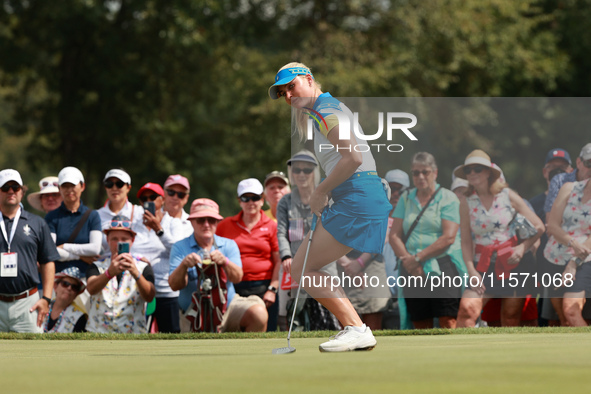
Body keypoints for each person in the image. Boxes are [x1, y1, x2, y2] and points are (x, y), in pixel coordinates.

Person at [269, 62, 391, 351]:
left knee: (301, 268)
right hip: (356, 195)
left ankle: (356, 328)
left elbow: (354, 158)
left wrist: (320, 191)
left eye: (291, 86)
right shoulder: (323, 109)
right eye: (283, 92)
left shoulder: (326, 110)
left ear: (308, 79)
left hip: (358, 195)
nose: (288, 95)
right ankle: (355, 327)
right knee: (303, 267)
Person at [455, 150, 544, 327]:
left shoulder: (507, 195)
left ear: (488, 172)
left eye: (477, 169)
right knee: (466, 310)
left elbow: (539, 227)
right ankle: (463, 354)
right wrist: (471, 271)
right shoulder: (466, 201)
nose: (472, 173)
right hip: (483, 265)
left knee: (510, 317)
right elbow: (465, 241)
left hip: (513, 264)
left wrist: (522, 248)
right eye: (468, 170)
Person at [389, 152, 466, 329]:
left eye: (425, 172)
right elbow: (394, 235)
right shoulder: (406, 198)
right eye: (416, 173)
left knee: (448, 320)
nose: (420, 176)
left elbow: (448, 237)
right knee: (419, 321)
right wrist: (409, 262)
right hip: (411, 268)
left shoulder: (448, 198)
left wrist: (417, 259)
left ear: (435, 173)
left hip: (442, 265)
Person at [169, 198, 267, 332]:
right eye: (201, 220)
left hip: (228, 308)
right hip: (193, 312)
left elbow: (237, 278)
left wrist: (225, 262)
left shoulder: (229, 244)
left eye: (211, 220)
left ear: (217, 222)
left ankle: (248, 352)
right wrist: (184, 265)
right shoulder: (179, 247)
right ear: (191, 221)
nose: (206, 224)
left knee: (258, 314)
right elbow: (174, 285)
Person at [276, 150, 340, 331]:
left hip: (323, 264)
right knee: (289, 314)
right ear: (291, 173)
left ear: (315, 172)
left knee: (330, 309)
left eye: (307, 170)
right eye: (297, 170)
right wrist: (285, 256)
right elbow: (281, 232)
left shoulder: (328, 198)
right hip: (293, 265)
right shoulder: (285, 202)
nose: (302, 174)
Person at [216, 178, 281, 332]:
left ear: (262, 200)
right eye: (246, 198)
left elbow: (278, 261)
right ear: (239, 201)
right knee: (231, 333)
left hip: (264, 287)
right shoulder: (225, 225)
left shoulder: (272, 226)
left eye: (255, 197)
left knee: (267, 334)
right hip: (232, 287)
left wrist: (272, 289)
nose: (251, 202)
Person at [0, 169, 59, 333]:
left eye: (15, 187)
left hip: (28, 303)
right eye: (5, 188)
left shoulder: (37, 223)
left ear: (21, 192)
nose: (11, 191)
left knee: (34, 355)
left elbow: (48, 261)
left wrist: (46, 298)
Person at [137, 181, 192, 333]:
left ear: (162, 200)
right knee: (140, 335)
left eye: (152, 197)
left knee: (171, 336)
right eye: (144, 199)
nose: (148, 201)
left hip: (167, 291)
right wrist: (138, 258)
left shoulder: (174, 223)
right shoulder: (135, 224)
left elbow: (178, 249)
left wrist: (158, 229)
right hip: (141, 290)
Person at [86, 215, 155, 333]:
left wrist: (136, 274)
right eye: (114, 239)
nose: (119, 243)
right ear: (107, 240)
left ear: (132, 241)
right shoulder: (97, 266)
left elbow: (150, 296)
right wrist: (109, 273)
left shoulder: (143, 267)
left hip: (133, 333)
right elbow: (91, 289)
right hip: (98, 332)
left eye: (124, 239)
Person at [529, 148, 572, 326]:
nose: (557, 171)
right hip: (546, 265)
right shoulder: (534, 203)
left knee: (573, 310)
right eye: (552, 167)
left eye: (562, 167)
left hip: (573, 259)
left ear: (571, 170)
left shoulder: (579, 199)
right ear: (544, 171)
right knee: (550, 316)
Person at [544, 173, 591, 326]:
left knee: (571, 311)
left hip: (585, 260)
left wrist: (573, 262)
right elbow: (552, 225)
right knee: (563, 318)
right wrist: (573, 243)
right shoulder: (569, 188)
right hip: (554, 257)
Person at [45, 166, 102, 273]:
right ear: (59, 188)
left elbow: (95, 249)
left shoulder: (93, 215)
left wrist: (65, 247)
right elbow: (50, 251)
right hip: (59, 279)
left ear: (82, 186)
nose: (69, 190)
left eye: (73, 185)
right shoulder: (51, 217)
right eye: (65, 186)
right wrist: (80, 257)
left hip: (86, 278)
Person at [97, 169, 144, 256]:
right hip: (104, 267)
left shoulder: (140, 213)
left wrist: (139, 259)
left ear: (128, 188)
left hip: (132, 265)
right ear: (105, 187)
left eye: (119, 184)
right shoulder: (96, 215)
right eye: (109, 184)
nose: (114, 188)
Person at [544, 143, 591, 214]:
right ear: (578, 163)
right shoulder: (559, 181)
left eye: (563, 166)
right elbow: (551, 218)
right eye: (589, 163)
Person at [43, 267, 88, 333]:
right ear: (55, 286)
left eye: (74, 287)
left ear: (76, 294)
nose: (69, 288)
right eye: (65, 284)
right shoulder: (43, 306)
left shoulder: (80, 317)